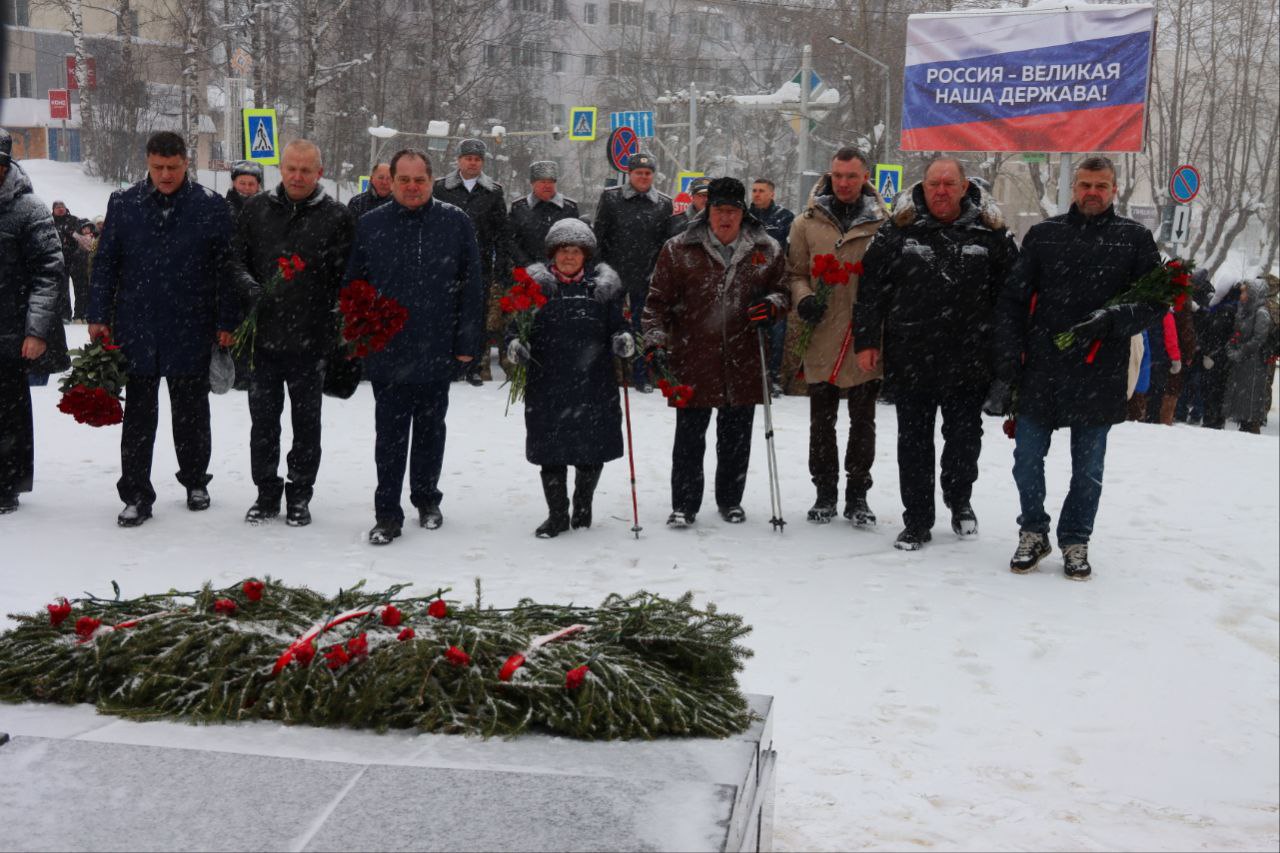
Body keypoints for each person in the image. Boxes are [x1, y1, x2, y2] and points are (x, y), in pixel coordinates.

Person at [987, 155, 1161, 580]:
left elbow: (1156, 301)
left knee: (1088, 470)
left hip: (1099, 370)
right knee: (1026, 460)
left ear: (1114, 190)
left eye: (1101, 186)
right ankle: (1033, 531)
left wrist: (1113, 320)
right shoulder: (1044, 236)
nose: (1092, 193)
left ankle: (1076, 539)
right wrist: (1007, 363)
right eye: (1085, 185)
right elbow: (1012, 302)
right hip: (1041, 369)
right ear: (1073, 189)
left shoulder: (1134, 239)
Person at [856, 157, 1019, 551]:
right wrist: (867, 340)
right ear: (923, 188)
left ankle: (959, 498)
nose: (941, 191)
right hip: (912, 354)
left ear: (965, 187)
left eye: (949, 184)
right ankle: (917, 520)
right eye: (934, 184)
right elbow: (871, 287)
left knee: (964, 440)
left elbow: (1011, 296)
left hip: (970, 357)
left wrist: (1007, 350)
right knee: (913, 441)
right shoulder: (898, 230)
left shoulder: (992, 233)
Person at [88, 130, 239, 527]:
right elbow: (106, 264)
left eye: (173, 167)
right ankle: (136, 493)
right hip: (137, 327)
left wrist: (226, 321)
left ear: (186, 163)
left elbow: (227, 271)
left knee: (191, 412)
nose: (165, 175)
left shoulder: (211, 206)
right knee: (139, 415)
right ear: (148, 163)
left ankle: (195, 481)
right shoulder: (125, 204)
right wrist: (98, 316)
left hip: (191, 325)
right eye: (158, 167)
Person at [346, 148, 484, 545]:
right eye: (403, 180)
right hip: (388, 349)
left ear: (431, 180)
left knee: (430, 430)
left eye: (419, 180)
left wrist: (466, 343)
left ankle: (427, 499)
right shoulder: (371, 224)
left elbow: (471, 285)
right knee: (388, 437)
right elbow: (355, 284)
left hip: (437, 346)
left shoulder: (456, 222)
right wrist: (359, 335)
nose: (411, 187)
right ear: (391, 181)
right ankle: (387, 513)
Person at [642, 177, 788, 527]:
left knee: (736, 438)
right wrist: (655, 341)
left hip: (745, 354)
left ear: (743, 212)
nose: (726, 218)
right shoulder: (678, 248)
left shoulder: (766, 248)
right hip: (693, 355)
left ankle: (730, 500)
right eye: (720, 210)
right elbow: (656, 304)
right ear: (708, 211)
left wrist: (772, 306)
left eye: (733, 211)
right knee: (690, 438)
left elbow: (783, 291)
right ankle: (685, 504)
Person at [230, 139, 356, 527]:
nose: (298, 176)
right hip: (263, 340)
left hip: (310, 340)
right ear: (280, 170)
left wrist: (333, 313)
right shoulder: (255, 210)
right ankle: (266, 492)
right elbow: (234, 261)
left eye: (306, 170)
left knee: (307, 425)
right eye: (291, 169)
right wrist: (251, 288)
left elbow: (346, 276)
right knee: (263, 424)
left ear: (320, 172)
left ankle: (300, 494)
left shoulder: (337, 216)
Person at [506, 219, 630, 537]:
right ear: (553, 253)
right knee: (552, 451)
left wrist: (623, 339)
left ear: (585, 255)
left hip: (594, 383)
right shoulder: (536, 287)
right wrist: (516, 344)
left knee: (591, 448)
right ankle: (557, 514)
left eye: (576, 251)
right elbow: (514, 327)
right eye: (564, 251)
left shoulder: (603, 289)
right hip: (548, 383)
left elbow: (620, 324)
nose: (569, 257)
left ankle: (583, 507)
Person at [786, 148, 887, 528]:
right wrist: (805, 297)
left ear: (865, 177)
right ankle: (824, 491)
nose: (844, 183)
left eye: (851, 176)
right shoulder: (807, 222)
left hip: (864, 337)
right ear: (829, 176)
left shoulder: (884, 224)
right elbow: (794, 272)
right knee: (821, 421)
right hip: (821, 334)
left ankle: (858, 494)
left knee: (863, 421)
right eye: (838, 176)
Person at [0, 127, 63, 513]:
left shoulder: (29, 210)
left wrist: (36, 330)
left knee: (8, 410)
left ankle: (7, 483)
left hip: (10, 331)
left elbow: (49, 272)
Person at [433, 139, 510, 386]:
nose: (472, 162)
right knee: (447, 312)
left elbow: (501, 231)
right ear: (459, 160)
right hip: (448, 263)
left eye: (477, 159)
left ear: (482, 163)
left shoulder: (493, 191)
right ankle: (447, 362)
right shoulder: (441, 188)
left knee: (476, 314)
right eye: (468, 158)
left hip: (481, 263)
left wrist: (500, 265)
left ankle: (474, 365)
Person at [594, 152, 673, 392]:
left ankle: (640, 375)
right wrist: (601, 271)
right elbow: (599, 237)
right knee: (610, 324)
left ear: (653, 175)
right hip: (614, 275)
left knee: (643, 328)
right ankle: (607, 373)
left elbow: (665, 243)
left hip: (645, 276)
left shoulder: (663, 203)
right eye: (638, 173)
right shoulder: (611, 198)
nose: (643, 177)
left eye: (648, 173)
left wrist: (657, 273)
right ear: (630, 175)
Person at [750, 177, 795, 396]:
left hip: (775, 283)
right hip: (748, 283)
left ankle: (774, 377)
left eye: (761, 191)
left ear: (772, 194)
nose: (756, 194)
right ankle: (752, 376)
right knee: (748, 334)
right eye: (754, 190)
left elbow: (792, 249)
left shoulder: (785, 218)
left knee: (777, 334)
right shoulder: (744, 216)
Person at [508, 160, 580, 269]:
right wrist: (527, 265)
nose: (547, 186)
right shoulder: (519, 208)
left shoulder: (569, 208)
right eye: (542, 181)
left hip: (562, 273)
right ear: (533, 183)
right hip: (527, 274)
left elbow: (576, 242)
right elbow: (511, 242)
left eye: (551, 181)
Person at [1224, 279, 1273, 434]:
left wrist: (1241, 352)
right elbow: (1237, 334)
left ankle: (1251, 429)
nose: (1241, 294)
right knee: (1241, 399)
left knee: (1250, 401)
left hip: (1253, 364)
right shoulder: (1244, 310)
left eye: (1245, 291)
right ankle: (1245, 426)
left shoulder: (1261, 313)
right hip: (1243, 363)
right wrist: (1231, 347)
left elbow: (1259, 339)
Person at [50, 200, 84, 321]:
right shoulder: (50, 222)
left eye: (62, 206)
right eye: (57, 207)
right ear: (53, 210)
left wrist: (71, 234)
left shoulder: (73, 220)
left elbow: (85, 232)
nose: (60, 209)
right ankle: (65, 315)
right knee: (62, 288)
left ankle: (80, 314)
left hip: (76, 259)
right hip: (59, 260)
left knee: (80, 287)